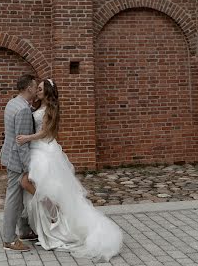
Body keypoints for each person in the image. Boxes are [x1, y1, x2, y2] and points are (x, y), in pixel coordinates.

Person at [16, 78, 123, 261]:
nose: (38, 91)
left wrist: (27, 138)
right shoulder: (36, 106)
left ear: (48, 92)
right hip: (38, 149)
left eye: (41, 89)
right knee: (38, 184)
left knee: (33, 183)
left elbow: (45, 132)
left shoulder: (49, 109)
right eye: (38, 88)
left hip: (45, 150)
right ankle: (48, 214)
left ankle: (54, 211)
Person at [0, 73, 38, 252]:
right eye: (35, 86)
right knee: (13, 198)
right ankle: (9, 239)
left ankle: (24, 230)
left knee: (21, 196)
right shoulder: (22, 109)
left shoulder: (12, 102)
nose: (37, 89)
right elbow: (21, 142)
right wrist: (28, 167)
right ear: (28, 87)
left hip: (9, 154)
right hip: (17, 159)